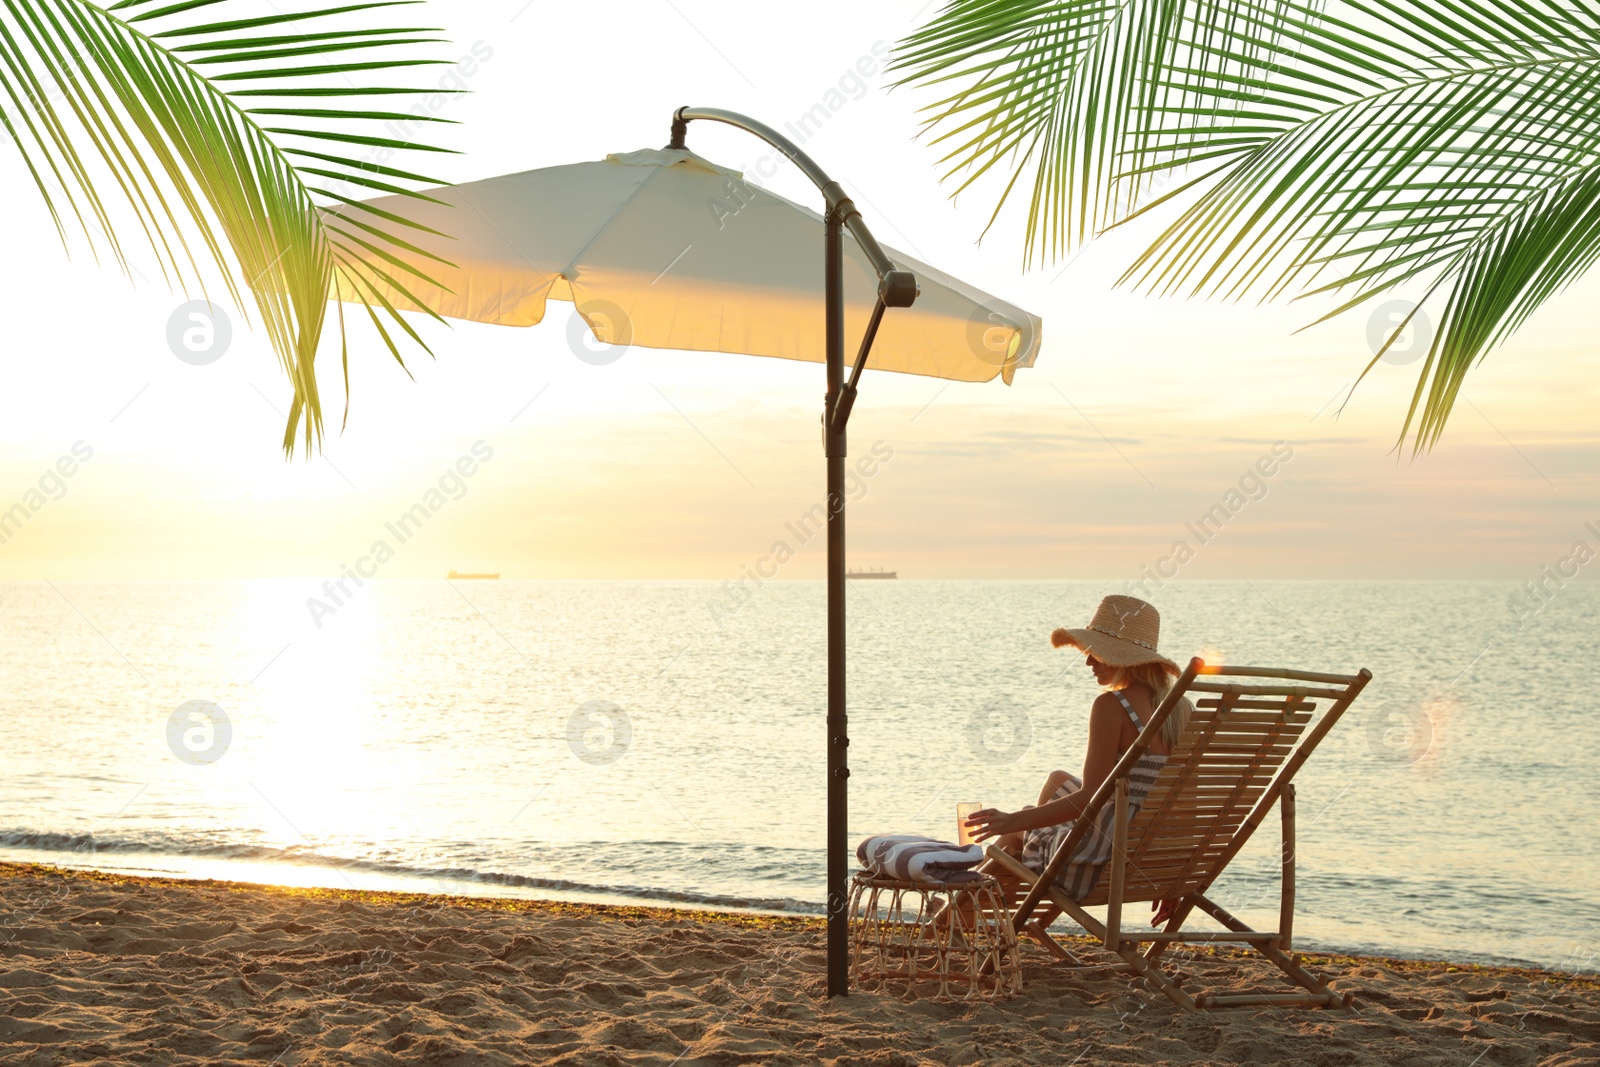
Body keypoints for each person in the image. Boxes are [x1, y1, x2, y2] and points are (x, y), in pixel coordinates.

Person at [963, 594, 1191, 926]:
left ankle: (960, 918)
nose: (1088, 662)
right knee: (1057, 780)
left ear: (1124, 656)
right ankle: (1006, 907)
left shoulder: (1112, 707)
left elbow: (1089, 799)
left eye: (1096, 653)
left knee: (1019, 832)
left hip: (1103, 860)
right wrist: (1171, 872)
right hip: (1148, 852)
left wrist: (1011, 821)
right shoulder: (1181, 710)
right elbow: (1186, 802)